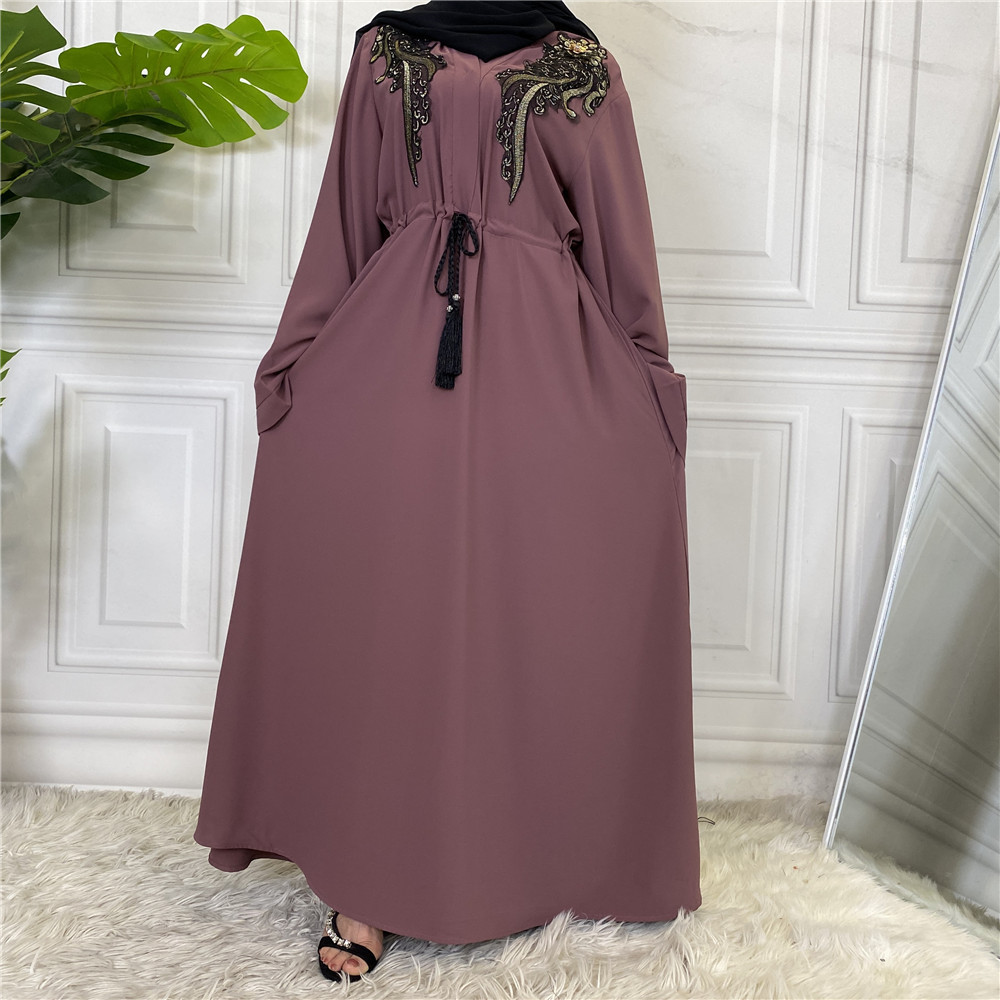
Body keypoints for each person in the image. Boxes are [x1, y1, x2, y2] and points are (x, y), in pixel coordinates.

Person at [192, 0, 701, 983]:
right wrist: (294, 362)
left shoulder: (583, 68)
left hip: (548, 371)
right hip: (387, 356)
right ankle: (368, 885)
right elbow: (346, 225)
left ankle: (526, 866)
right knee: (392, 625)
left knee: (525, 623)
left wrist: (648, 383)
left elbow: (619, 249)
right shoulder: (386, 54)